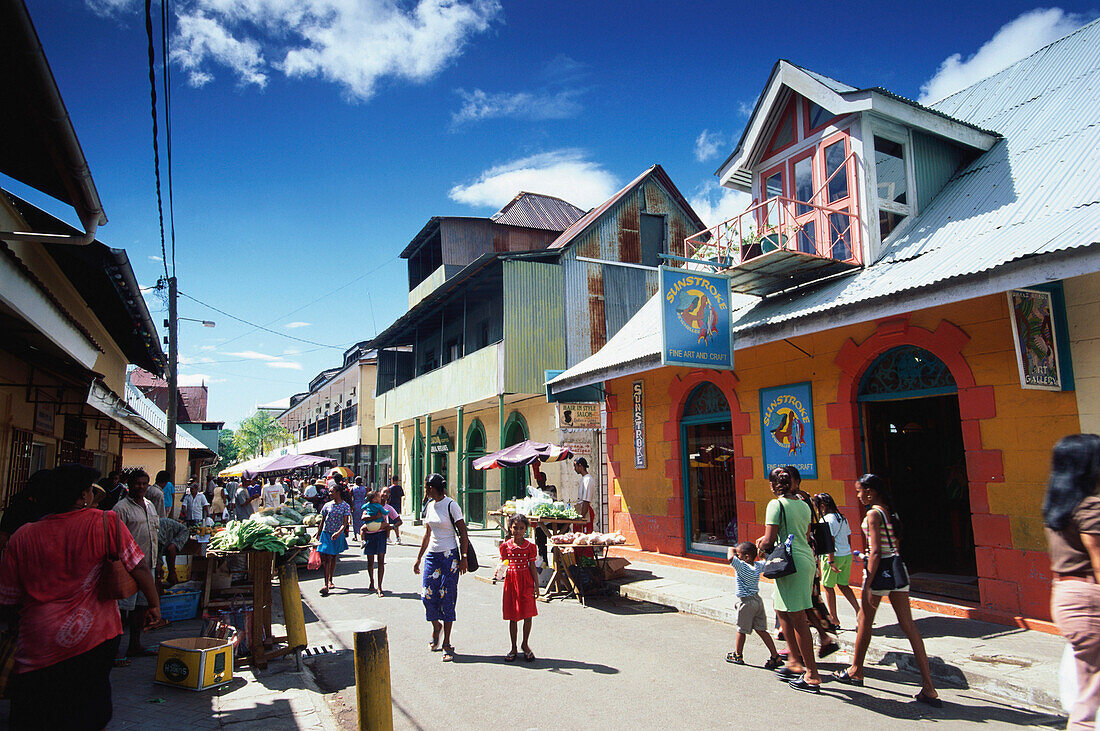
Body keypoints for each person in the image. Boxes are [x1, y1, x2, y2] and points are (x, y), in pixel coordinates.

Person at [0, 464, 160, 730]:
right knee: (88, 710)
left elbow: (8, 599)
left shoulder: (22, 536)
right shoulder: (106, 522)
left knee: (38, 713)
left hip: (38, 640)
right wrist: (154, 604)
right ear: (84, 495)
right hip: (94, 637)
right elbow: (139, 567)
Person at [835, 474, 940, 707]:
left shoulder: (873, 513)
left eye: (860, 491)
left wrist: (868, 580)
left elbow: (875, 550)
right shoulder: (890, 512)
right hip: (897, 569)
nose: (859, 495)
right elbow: (893, 546)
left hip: (879, 571)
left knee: (864, 621)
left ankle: (855, 670)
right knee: (909, 626)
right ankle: (928, 686)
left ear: (870, 491)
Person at [1043, 434, 1100, 729]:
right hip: (1090, 595)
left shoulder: (1057, 508)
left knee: (1087, 680)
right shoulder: (1090, 506)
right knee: (1091, 693)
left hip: (1066, 593)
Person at [757, 467, 821, 693]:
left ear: (774, 485)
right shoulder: (804, 504)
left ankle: (811, 674)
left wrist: (760, 544)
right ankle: (795, 662)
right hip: (804, 559)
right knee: (783, 610)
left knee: (798, 619)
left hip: (790, 563)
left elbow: (770, 539)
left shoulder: (775, 505)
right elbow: (801, 534)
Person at [413, 473, 470, 663]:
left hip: (450, 556)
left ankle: (447, 643)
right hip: (433, 555)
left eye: (427, 487)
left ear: (434, 487)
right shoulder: (429, 506)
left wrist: (464, 558)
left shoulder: (451, 505)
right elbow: (427, 534)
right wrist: (419, 558)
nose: (426, 490)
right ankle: (435, 626)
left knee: (448, 598)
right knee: (427, 596)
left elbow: (463, 532)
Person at [111, 469, 161, 663]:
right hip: (128, 568)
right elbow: (114, 539)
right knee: (121, 610)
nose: (141, 487)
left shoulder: (150, 505)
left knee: (140, 608)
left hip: (148, 564)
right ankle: (114, 651)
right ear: (129, 485)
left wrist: (158, 563)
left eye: (144, 484)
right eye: (137, 484)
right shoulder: (120, 509)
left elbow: (155, 536)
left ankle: (134, 645)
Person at [726, 541, 783, 668]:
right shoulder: (757, 566)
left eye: (739, 555)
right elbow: (764, 560)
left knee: (741, 630)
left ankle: (738, 654)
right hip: (758, 601)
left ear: (746, 557)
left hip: (746, 602)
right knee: (761, 630)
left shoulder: (741, 566)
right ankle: (775, 655)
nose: (737, 556)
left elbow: (730, 557)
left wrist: (732, 548)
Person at [812, 492, 860, 627]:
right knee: (844, 585)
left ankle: (834, 619)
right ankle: (859, 612)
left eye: (817, 507)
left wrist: (831, 561)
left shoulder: (826, 520)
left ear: (822, 506)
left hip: (833, 557)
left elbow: (830, 541)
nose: (817, 510)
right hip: (846, 555)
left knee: (828, 586)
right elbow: (849, 537)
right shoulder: (842, 518)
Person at [500, 514, 539, 662]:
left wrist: (536, 586)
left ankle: (525, 644)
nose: (518, 531)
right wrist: (499, 572)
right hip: (511, 583)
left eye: (521, 528)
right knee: (513, 617)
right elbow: (503, 563)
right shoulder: (506, 546)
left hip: (526, 582)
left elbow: (533, 567)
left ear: (526, 530)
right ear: (510, 528)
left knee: (528, 615)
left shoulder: (530, 547)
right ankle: (513, 647)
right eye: (515, 528)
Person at [315, 486, 351, 597]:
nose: (330, 493)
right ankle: (325, 584)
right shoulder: (327, 505)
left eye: (332, 491)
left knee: (333, 556)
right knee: (326, 558)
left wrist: (338, 533)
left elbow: (345, 523)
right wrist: (318, 533)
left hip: (337, 535)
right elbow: (323, 520)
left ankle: (330, 579)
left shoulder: (345, 506)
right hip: (326, 533)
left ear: (338, 492)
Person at [359, 491, 390, 596]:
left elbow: (395, 518)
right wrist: (375, 517)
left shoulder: (383, 507)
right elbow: (363, 517)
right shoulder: (370, 507)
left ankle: (379, 586)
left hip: (381, 535)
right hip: (370, 535)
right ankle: (372, 581)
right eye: (378, 496)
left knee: (381, 561)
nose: (381, 497)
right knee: (370, 561)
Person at [157, 517, 191, 586]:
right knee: (157, 572)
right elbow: (171, 549)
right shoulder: (185, 532)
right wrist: (172, 572)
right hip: (157, 536)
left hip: (157, 533)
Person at [572, 458, 595, 533]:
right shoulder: (584, 479)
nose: (574, 469)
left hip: (585, 511)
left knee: (584, 536)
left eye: (575, 466)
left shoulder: (588, 479)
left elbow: (586, 500)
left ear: (580, 466)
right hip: (581, 509)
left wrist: (582, 516)